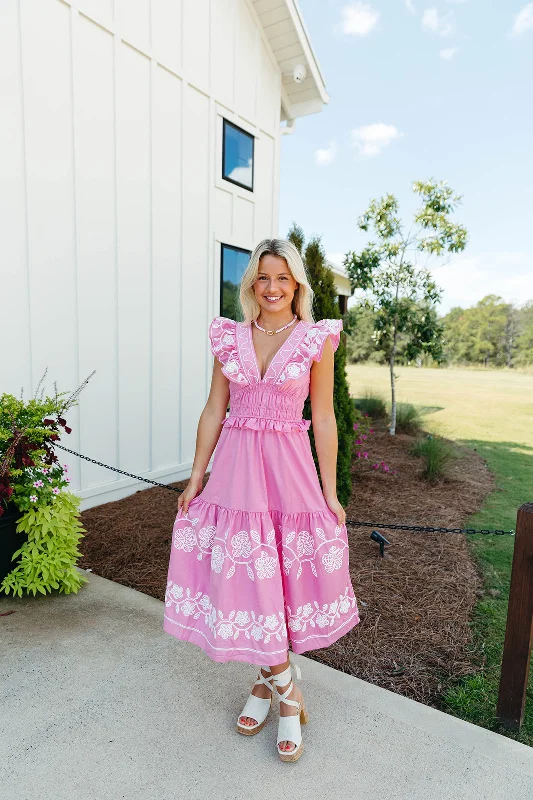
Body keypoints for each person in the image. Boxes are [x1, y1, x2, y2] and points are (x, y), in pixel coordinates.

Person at [163, 238, 360, 762]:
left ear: (297, 284)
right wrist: (194, 478)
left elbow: (323, 417)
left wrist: (330, 492)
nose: (273, 288)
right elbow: (212, 410)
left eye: (283, 278)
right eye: (263, 277)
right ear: (252, 283)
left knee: (281, 583)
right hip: (235, 473)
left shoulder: (316, 339)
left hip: (290, 473)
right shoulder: (229, 338)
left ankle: (268, 687)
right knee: (251, 581)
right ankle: (288, 694)